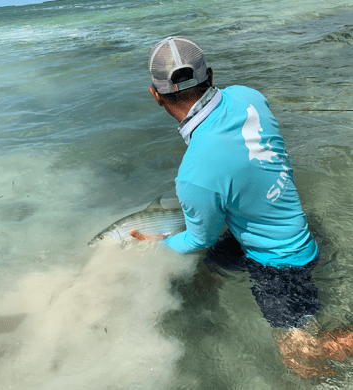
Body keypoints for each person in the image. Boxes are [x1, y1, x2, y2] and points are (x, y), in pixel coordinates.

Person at [132, 36, 353, 378]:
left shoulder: (194, 175)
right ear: (211, 74)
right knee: (209, 270)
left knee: (304, 363)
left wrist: (156, 247)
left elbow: (197, 240)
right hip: (290, 224)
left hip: (281, 264)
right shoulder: (250, 96)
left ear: (155, 95)